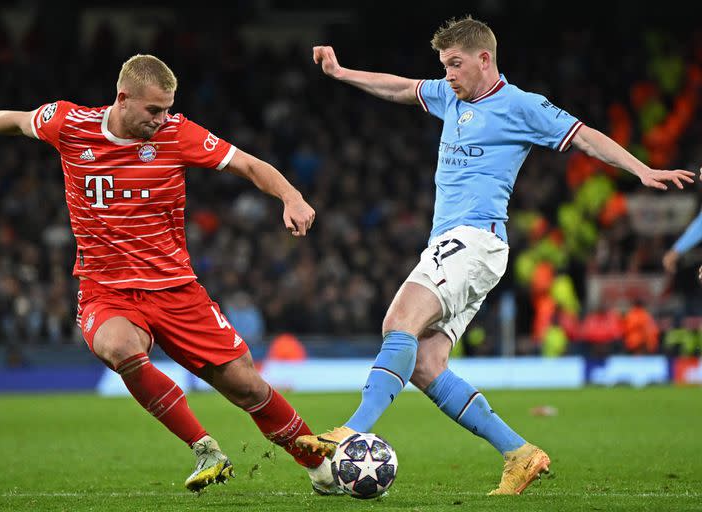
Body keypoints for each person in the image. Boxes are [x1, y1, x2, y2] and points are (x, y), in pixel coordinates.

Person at [296, 16, 694, 495]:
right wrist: (342, 74)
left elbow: (585, 135)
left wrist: (641, 169)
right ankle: (519, 453)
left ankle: (351, 430)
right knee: (424, 364)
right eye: (444, 66)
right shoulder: (450, 97)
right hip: (457, 245)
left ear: (484, 59)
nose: (448, 75)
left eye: (455, 64)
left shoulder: (522, 106)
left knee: (398, 322)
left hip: (474, 240)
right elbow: (401, 88)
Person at [0, 54, 341, 495]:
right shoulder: (69, 123)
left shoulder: (177, 134)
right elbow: (19, 120)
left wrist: (291, 196)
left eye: (168, 108)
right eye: (154, 109)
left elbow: (249, 165)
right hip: (105, 291)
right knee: (119, 347)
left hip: (177, 291)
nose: (163, 118)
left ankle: (320, 466)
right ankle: (204, 447)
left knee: (246, 387)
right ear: (123, 98)